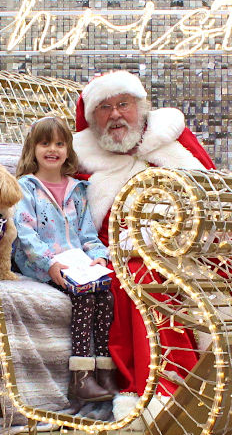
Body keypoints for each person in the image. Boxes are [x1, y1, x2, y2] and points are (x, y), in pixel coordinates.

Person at [72, 71, 216, 405]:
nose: (116, 115)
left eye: (123, 104)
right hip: (127, 252)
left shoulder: (175, 140)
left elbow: (212, 193)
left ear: (141, 107)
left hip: (193, 242)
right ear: (93, 119)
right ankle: (169, 391)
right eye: (104, 108)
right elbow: (77, 222)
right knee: (143, 280)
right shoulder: (82, 161)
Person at [12, 116, 118, 403]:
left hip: (77, 262)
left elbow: (87, 233)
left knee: (106, 294)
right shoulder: (26, 187)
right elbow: (25, 233)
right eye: (45, 143)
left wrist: (98, 258)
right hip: (41, 264)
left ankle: (105, 371)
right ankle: (80, 377)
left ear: (68, 150)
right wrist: (50, 263)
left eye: (60, 143)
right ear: (32, 149)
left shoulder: (78, 190)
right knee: (84, 297)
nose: (53, 149)